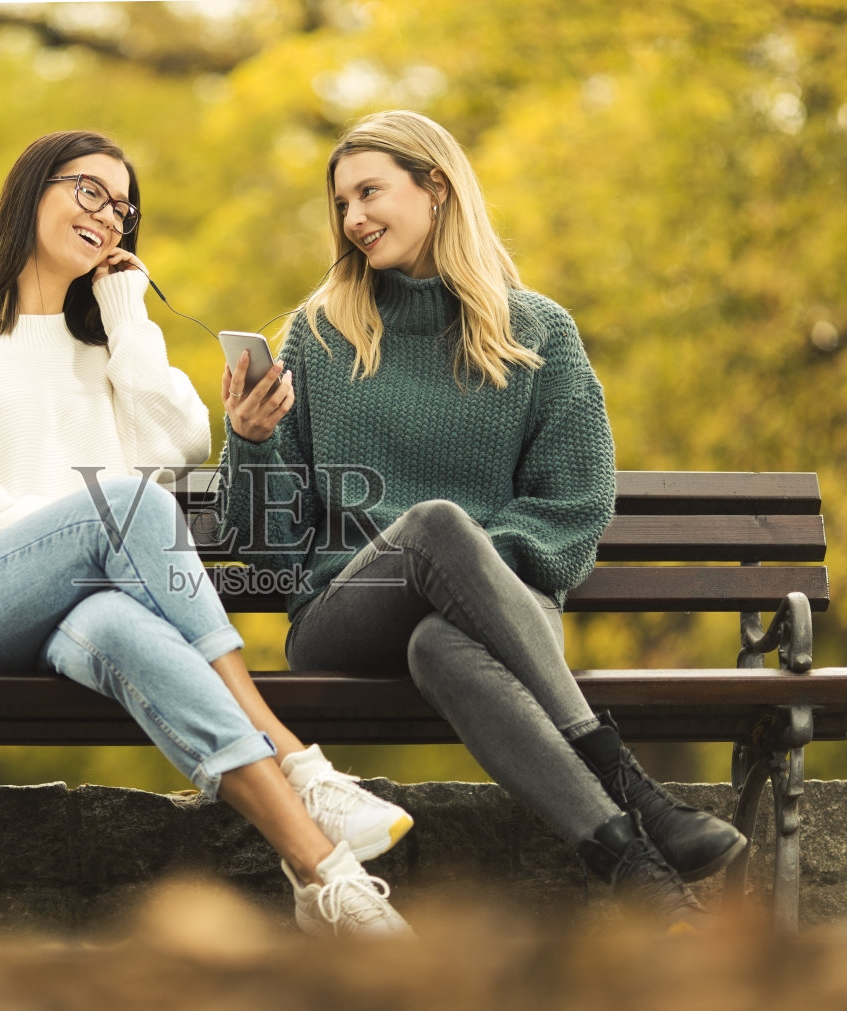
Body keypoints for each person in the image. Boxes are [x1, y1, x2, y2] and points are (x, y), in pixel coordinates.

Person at [0, 130, 413, 938]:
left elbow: (179, 442)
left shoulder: (111, 354)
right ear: (31, 190)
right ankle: (299, 759)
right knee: (125, 509)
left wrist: (125, 312)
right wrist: (72, 535)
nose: (109, 214)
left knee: (121, 621)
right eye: (90, 190)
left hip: (70, 612)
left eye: (123, 206)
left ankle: (326, 880)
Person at [216, 110, 746, 925]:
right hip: (346, 612)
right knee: (433, 527)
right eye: (342, 204)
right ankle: (625, 774)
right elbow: (265, 550)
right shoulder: (318, 337)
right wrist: (249, 441)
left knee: (441, 633)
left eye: (369, 192)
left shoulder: (538, 333)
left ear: (436, 186)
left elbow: (573, 508)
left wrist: (467, 574)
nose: (353, 218)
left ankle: (637, 869)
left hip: (499, 617)